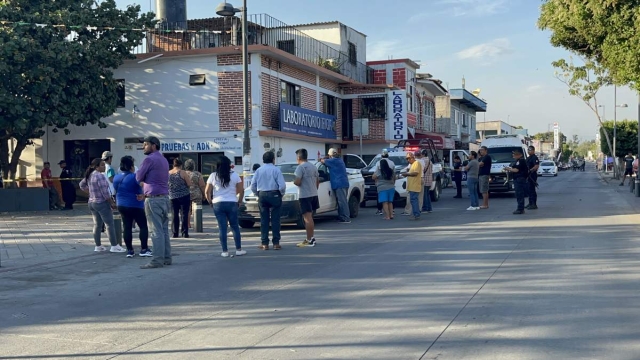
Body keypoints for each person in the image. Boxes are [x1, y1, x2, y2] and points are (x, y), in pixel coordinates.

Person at [136, 136, 171, 269]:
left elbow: (138, 176)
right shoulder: (163, 159)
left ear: (154, 145)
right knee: (163, 230)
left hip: (153, 199)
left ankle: (157, 260)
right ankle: (166, 257)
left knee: (155, 231)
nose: (143, 147)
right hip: (164, 197)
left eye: (145, 144)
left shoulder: (149, 159)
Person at [79, 158, 125, 253]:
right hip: (101, 202)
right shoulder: (100, 176)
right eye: (102, 165)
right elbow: (105, 192)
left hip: (92, 202)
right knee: (109, 224)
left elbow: (81, 185)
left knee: (97, 225)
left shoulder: (90, 175)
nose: (104, 167)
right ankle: (114, 245)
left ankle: (98, 245)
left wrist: (90, 192)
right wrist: (111, 202)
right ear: (97, 167)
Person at [205, 156, 246, 257]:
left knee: (222, 228)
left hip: (218, 203)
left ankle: (225, 251)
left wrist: (210, 202)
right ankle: (238, 249)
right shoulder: (235, 175)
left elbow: (207, 191)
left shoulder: (213, 176)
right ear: (229, 165)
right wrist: (239, 201)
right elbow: (241, 190)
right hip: (232, 202)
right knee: (235, 227)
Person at [113, 156, 151, 258]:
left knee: (127, 227)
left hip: (121, 204)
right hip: (135, 204)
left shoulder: (116, 177)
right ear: (131, 166)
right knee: (143, 226)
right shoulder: (135, 176)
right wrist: (144, 195)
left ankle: (130, 250)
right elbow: (144, 186)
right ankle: (144, 249)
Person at [251, 151, 286, 250]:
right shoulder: (276, 170)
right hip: (274, 194)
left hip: (262, 194)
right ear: (273, 159)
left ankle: (264, 243)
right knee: (275, 220)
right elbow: (282, 185)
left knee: (264, 220)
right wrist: (281, 194)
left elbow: (253, 185)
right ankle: (276, 243)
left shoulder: (258, 170)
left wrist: (257, 193)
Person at [295, 149, 320, 247]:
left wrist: (294, 182)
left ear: (298, 157)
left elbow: (297, 181)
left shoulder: (300, 168)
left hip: (305, 195)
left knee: (307, 218)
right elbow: (317, 181)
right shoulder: (313, 166)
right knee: (310, 217)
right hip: (314, 194)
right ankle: (311, 237)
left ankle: (309, 239)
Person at [321, 148, 351, 223]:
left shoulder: (333, 161)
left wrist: (324, 158)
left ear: (330, 155)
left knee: (342, 202)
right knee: (341, 201)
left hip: (339, 184)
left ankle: (346, 218)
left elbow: (322, 161)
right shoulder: (339, 160)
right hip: (343, 183)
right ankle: (341, 217)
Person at [168, 158, 192, 238]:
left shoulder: (168, 173)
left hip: (172, 196)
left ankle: (175, 233)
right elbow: (189, 183)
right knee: (184, 214)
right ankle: (185, 232)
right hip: (184, 195)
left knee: (174, 215)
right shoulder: (182, 172)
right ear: (181, 165)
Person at [504, 149, 529, 214]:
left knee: (519, 194)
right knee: (518, 194)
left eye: (515, 154)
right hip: (518, 179)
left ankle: (520, 209)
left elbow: (517, 170)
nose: (513, 156)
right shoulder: (517, 161)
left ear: (520, 155)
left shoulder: (521, 161)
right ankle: (520, 208)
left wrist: (509, 169)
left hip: (520, 179)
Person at [184, 159, 206, 229]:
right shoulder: (197, 174)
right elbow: (202, 185)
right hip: (196, 194)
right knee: (196, 209)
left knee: (187, 209)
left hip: (185, 193)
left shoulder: (183, 173)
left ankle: (188, 224)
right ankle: (197, 224)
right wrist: (204, 194)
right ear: (193, 166)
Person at [373, 156, 396, 220]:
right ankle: (391, 215)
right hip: (391, 187)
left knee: (385, 202)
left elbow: (373, 177)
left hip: (382, 188)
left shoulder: (379, 171)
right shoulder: (391, 170)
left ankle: (387, 216)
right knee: (390, 202)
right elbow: (395, 177)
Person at [401, 152, 422, 220]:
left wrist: (407, 174)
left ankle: (416, 214)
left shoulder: (416, 163)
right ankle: (415, 214)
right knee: (413, 201)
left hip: (415, 186)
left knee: (414, 200)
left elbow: (415, 173)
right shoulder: (412, 164)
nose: (408, 160)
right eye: (407, 159)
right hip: (412, 186)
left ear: (413, 158)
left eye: (409, 158)